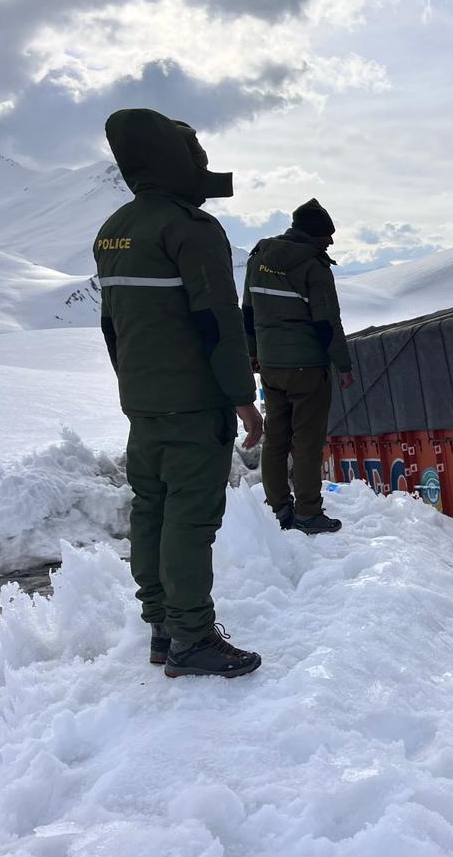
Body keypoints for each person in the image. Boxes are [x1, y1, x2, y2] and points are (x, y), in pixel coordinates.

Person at [96, 108, 264, 679]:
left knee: (152, 510)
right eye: (197, 157)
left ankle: (164, 629)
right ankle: (193, 638)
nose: (204, 167)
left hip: (143, 403)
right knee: (190, 519)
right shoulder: (190, 229)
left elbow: (111, 326)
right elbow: (220, 322)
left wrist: (134, 386)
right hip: (194, 403)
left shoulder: (114, 230)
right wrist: (244, 398)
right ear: (176, 160)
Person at [242, 198, 355, 535]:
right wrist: (343, 365)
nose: (330, 242)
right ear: (313, 234)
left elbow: (247, 311)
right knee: (307, 441)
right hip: (307, 366)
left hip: (271, 365)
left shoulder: (259, 258)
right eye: (327, 236)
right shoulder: (314, 267)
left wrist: (252, 353)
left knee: (277, 435)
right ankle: (308, 512)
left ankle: (278, 508)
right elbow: (327, 323)